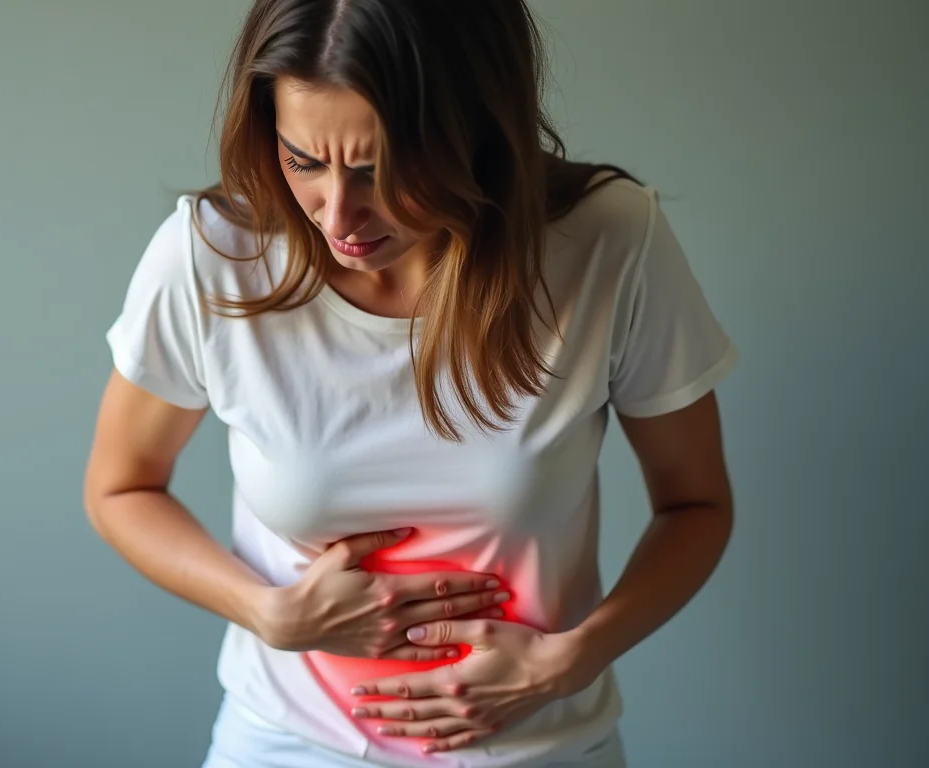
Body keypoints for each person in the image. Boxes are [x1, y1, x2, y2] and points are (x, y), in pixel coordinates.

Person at [84, 1, 737, 766]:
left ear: (477, 133)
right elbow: (120, 487)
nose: (339, 214)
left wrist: (574, 658)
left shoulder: (607, 243)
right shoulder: (212, 259)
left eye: (380, 171)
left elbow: (696, 504)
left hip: (544, 747)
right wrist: (268, 614)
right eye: (304, 160)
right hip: (286, 742)